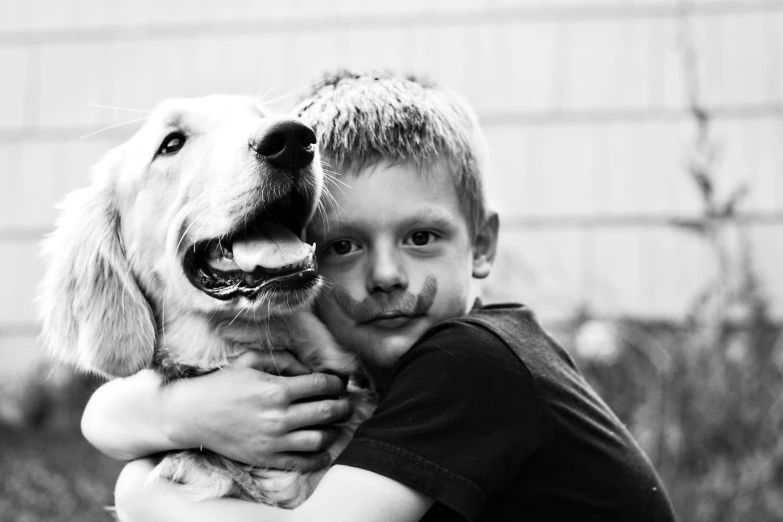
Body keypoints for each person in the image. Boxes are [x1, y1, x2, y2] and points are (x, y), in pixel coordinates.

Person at [88, 71, 677, 522]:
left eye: (421, 237)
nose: (387, 275)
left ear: (482, 246)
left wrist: (142, 496)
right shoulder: (384, 368)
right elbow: (107, 412)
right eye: (342, 246)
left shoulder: (471, 361)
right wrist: (171, 413)